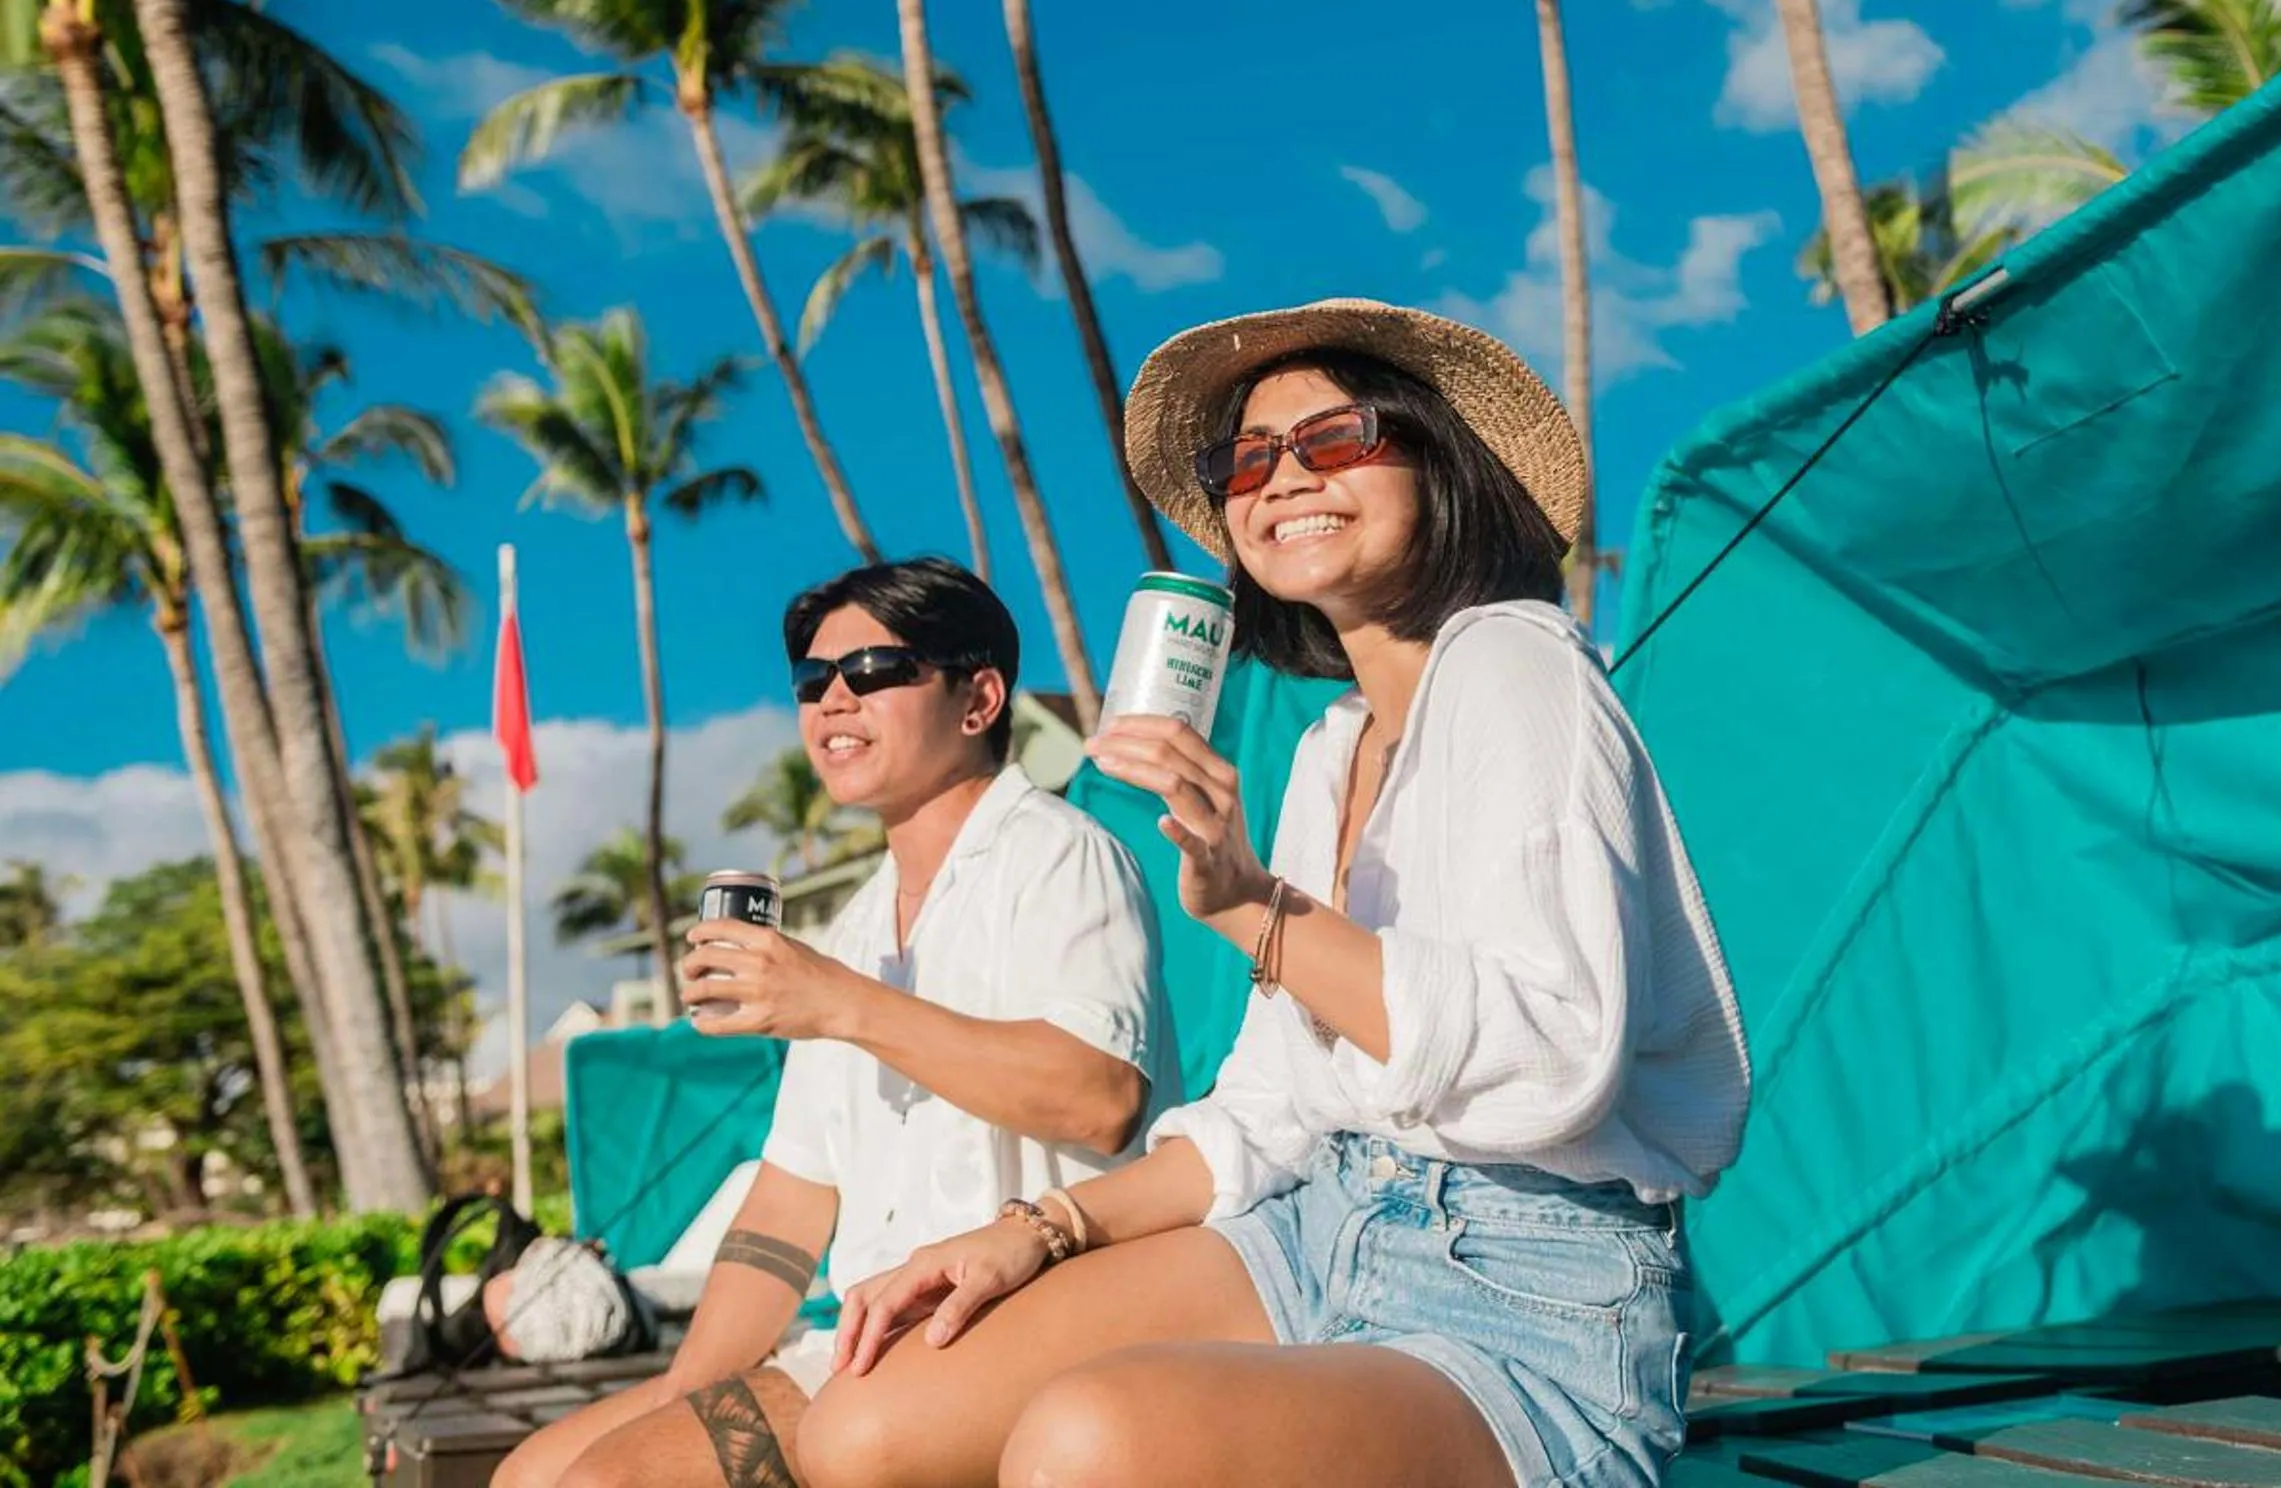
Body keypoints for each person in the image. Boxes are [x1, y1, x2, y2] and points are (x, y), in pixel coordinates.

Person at [799, 301, 1750, 1488]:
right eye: (1246, 458)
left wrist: (1254, 908)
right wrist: (1031, 1233)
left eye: (1336, 438)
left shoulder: (1519, 664)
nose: (1280, 477)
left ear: (1439, 458)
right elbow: (1268, 1115)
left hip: (1525, 1284)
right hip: (1311, 1225)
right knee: (858, 1426)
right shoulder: (1327, 751)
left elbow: (1552, 1058)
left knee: (1089, 1444)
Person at [495, 557, 1179, 1488]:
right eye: (814, 684)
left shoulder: (1061, 857)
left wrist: (841, 1005)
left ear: (979, 699)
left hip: (1027, 1311)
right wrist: (684, 1389)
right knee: (534, 1473)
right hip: (870, 1338)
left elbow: (1099, 1098)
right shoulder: (858, 925)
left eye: (875, 672)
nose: (832, 703)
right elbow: (785, 1208)